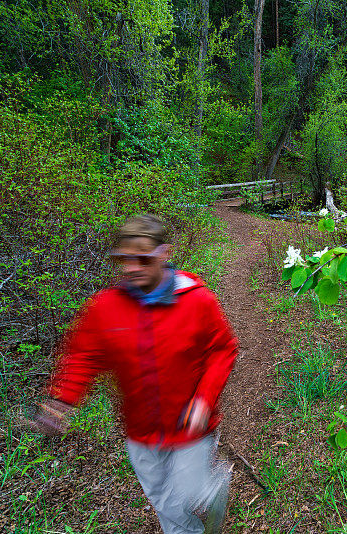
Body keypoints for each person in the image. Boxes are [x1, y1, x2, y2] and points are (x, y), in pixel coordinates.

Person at [32, 214, 238, 534]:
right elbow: (82, 356)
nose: (131, 268)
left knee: (181, 497)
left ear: (164, 254)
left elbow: (223, 349)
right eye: (123, 260)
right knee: (161, 500)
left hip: (190, 426)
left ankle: (211, 492)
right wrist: (62, 401)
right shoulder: (105, 307)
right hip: (140, 432)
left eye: (141, 258)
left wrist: (204, 398)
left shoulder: (197, 301)